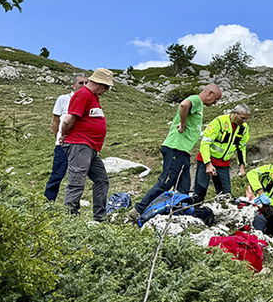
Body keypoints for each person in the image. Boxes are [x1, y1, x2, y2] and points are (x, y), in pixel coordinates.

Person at [131, 84, 222, 217]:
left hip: (183, 151)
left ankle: (178, 212)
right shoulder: (196, 100)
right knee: (166, 182)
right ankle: (138, 210)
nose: (215, 103)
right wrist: (183, 123)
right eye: (216, 99)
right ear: (210, 94)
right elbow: (184, 105)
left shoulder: (199, 105)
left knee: (184, 186)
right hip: (176, 148)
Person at [60, 68, 113, 221]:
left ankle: (100, 217)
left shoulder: (93, 97)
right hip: (79, 144)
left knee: (101, 180)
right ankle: (70, 217)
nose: (106, 90)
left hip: (90, 147)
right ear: (99, 83)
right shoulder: (83, 94)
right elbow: (68, 119)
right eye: (106, 87)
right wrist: (64, 135)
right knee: (77, 180)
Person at [192, 104, 251, 203]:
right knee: (200, 190)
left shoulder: (244, 128)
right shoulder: (219, 122)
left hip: (223, 163)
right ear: (234, 113)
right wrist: (208, 164)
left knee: (226, 193)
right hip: (206, 160)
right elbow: (205, 143)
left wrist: (241, 166)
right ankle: (195, 208)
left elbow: (241, 147)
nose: (244, 121)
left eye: (246, 119)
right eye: (242, 118)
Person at [44, 73, 88, 202]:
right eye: (81, 83)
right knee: (57, 174)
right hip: (63, 144)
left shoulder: (88, 100)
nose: (84, 86)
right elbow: (55, 122)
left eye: (87, 83)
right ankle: (48, 202)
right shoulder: (63, 99)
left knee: (77, 177)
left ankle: (72, 206)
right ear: (73, 85)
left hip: (80, 145)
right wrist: (58, 139)